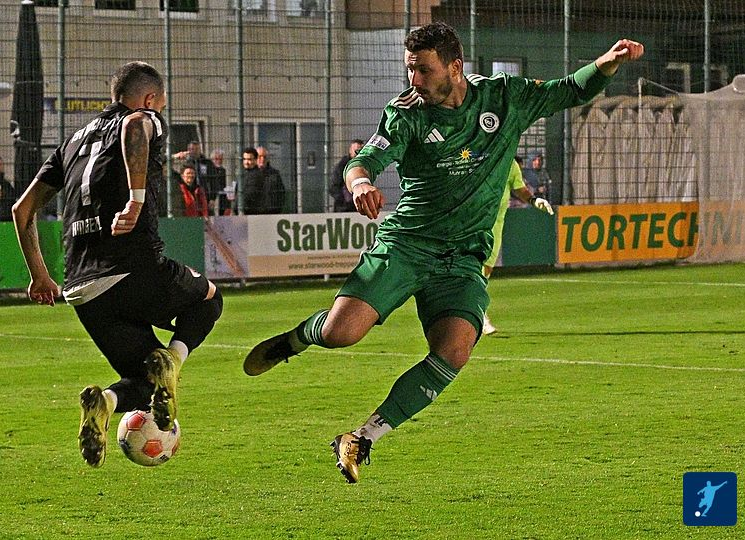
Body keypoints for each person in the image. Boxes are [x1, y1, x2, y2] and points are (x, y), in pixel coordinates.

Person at [243, 22, 644, 483]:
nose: (414, 80)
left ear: (455, 67)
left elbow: (570, 89)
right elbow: (364, 160)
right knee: (340, 334)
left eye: (424, 70)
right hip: (408, 244)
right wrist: (360, 184)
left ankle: (361, 437)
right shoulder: (405, 114)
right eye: (409, 69)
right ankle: (293, 341)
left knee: (454, 350)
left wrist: (607, 62)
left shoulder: (503, 97)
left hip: (463, 257)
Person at [12, 61, 223, 468]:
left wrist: (39, 275)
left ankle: (104, 402)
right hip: (132, 265)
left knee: (144, 386)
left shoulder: (71, 143)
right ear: (149, 99)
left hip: (82, 286)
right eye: (160, 105)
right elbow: (135, 126)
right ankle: (173, 361)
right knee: (210, 300)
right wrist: (136, 200)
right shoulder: (142, 117)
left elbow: (22, 209)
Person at [480, 156, 553, 335]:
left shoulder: (511, 164)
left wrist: (534, 200)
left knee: (485, 270)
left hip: (496, 225)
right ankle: (477, 314)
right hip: (474, 222)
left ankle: (476, 313)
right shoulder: (481, 159)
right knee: (473, 268)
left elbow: (519, 188)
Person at [330, 139, 364, 212]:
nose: (358, 153)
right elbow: (335, 185)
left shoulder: (364, 165)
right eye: (356, 150)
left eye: (360, 150)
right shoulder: (342, 165)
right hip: (345, 205)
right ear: (350, 150)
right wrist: (342, 200)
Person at [256, 146, 285, 213]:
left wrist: (277, 209)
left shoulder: (275, 174)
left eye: (264, 157)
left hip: (271, 213)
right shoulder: (248, 174)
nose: (262, 159)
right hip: (253, 214)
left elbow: (281, 193)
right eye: (259, 156)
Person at [239, 146, 265, 215]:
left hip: (251, 213)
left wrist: (237, 208)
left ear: (255, 160)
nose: (246, 162)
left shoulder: (256, 175)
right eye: (244, 159)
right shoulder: (244, 174)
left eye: (249, 159)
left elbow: (249, 195)